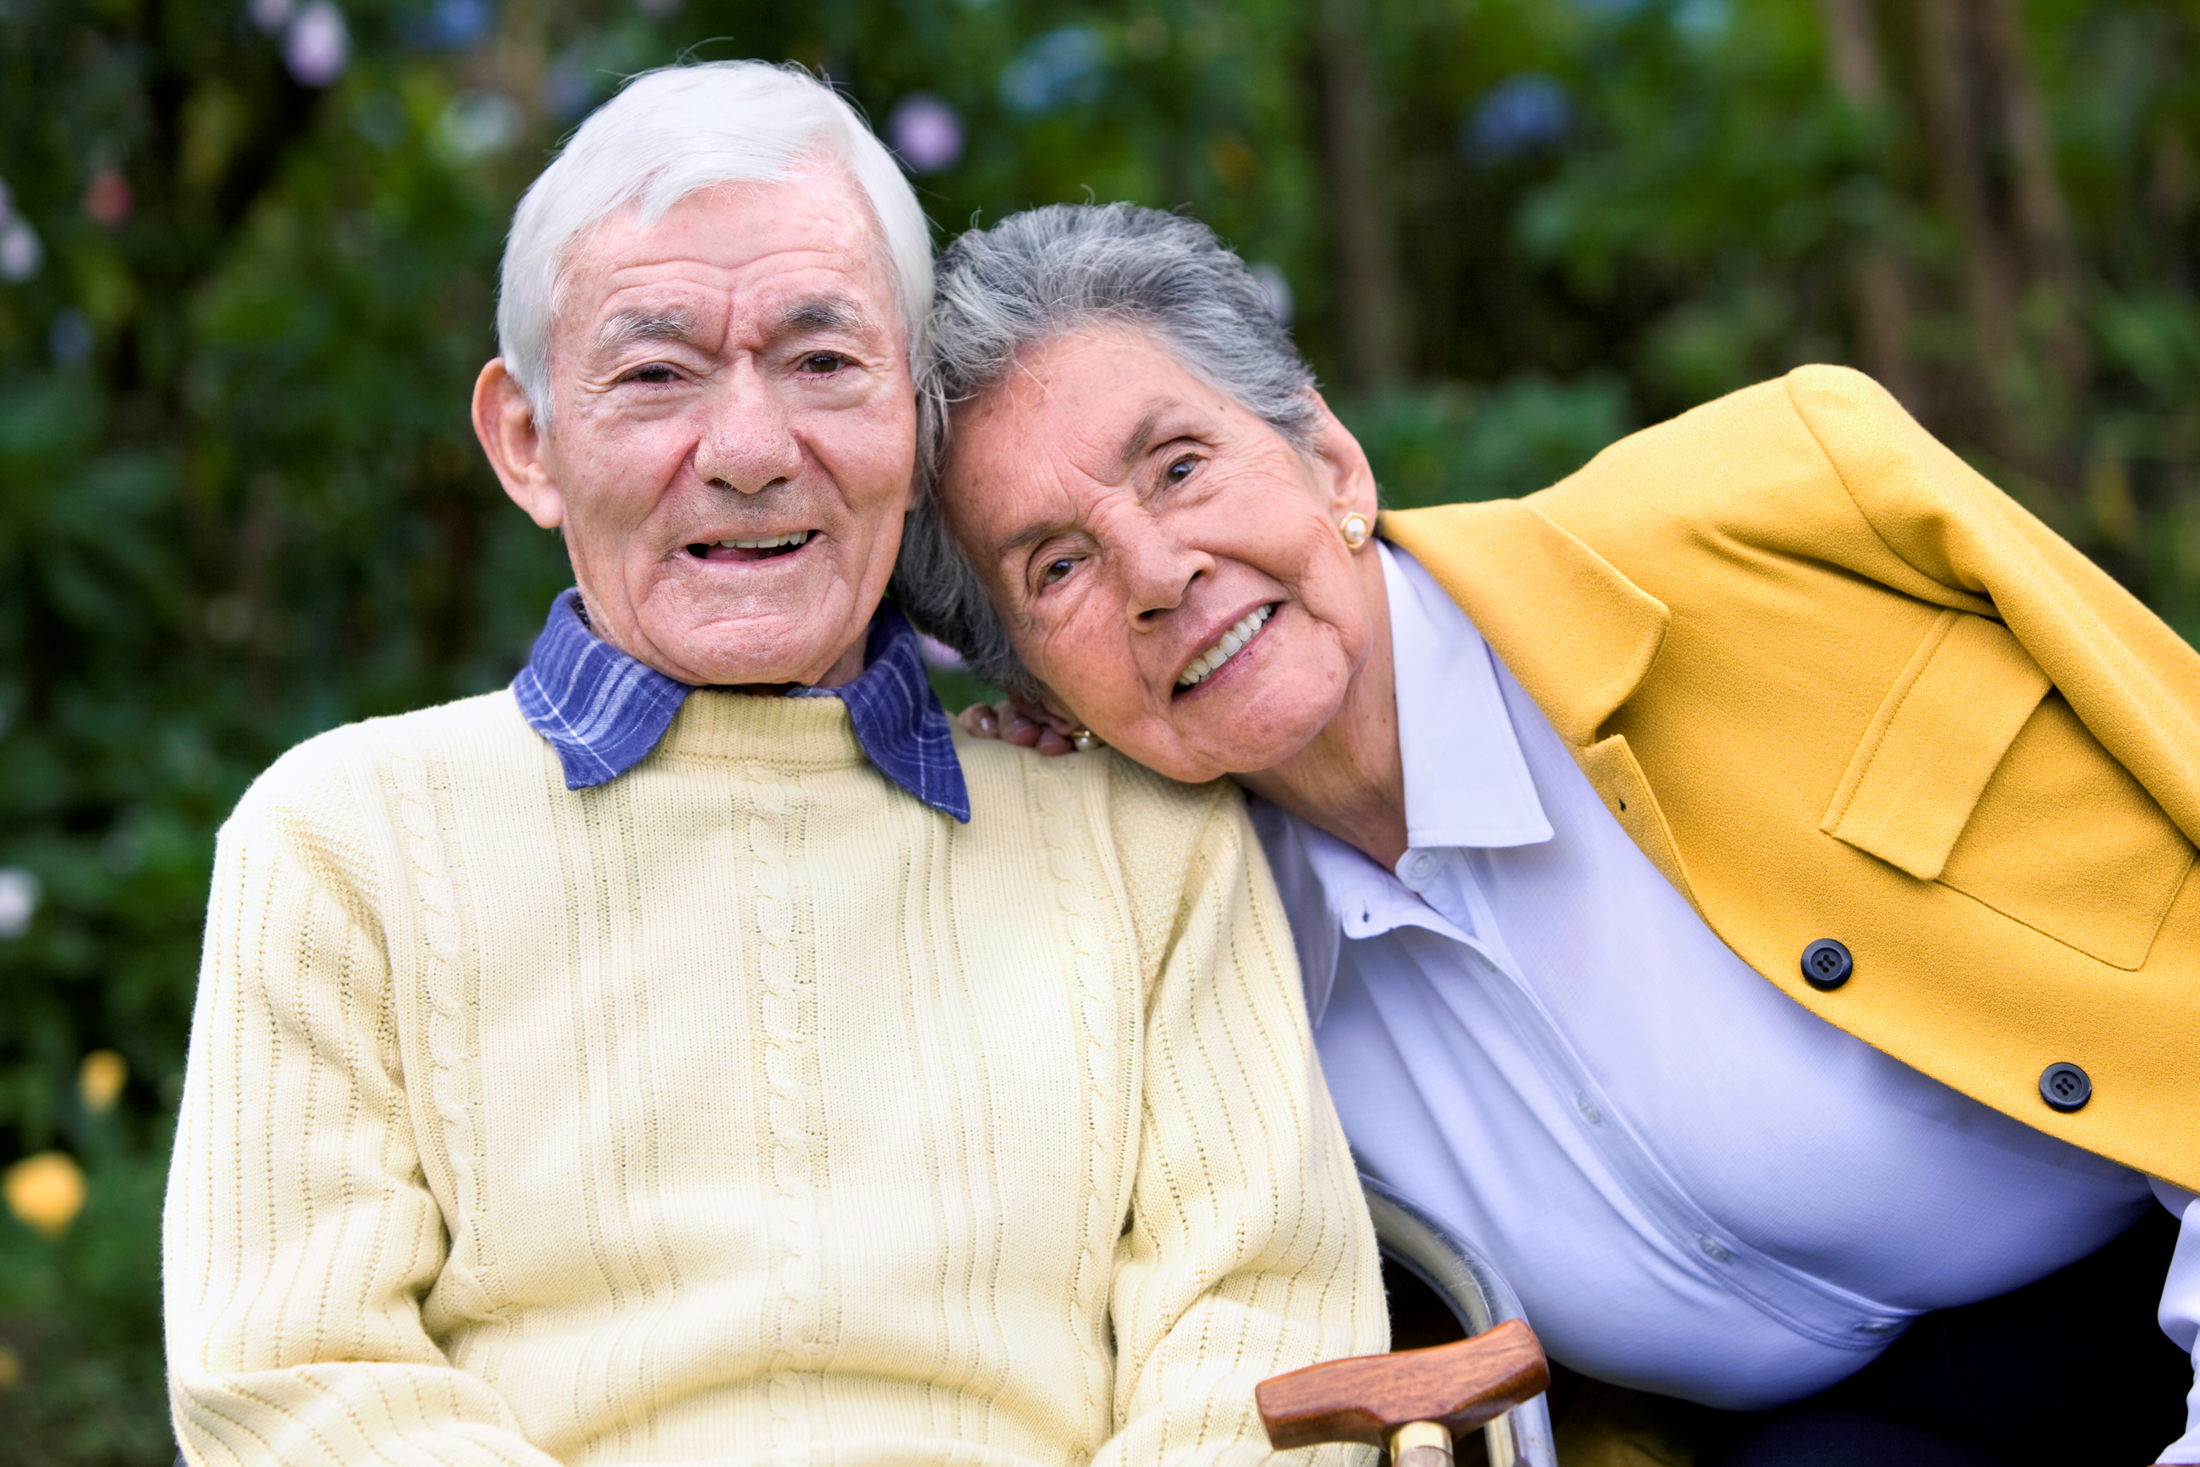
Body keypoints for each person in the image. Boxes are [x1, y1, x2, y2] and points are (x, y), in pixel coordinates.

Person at [161, 70, 1385, 1467]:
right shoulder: (344, 842)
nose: (748, 451)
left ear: (914, 429)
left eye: (821, 362)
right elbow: (296, 1376)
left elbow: (1269, 1337)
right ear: (527, 440)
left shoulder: (1138, 836)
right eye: (656, 372)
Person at [899, 201, 2200, 1467]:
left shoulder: (1787, 516)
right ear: (1034, 688)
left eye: (1180, 465)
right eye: (1055, 567)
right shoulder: (1192, 937)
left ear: (1329, 458)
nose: (1156, 572)